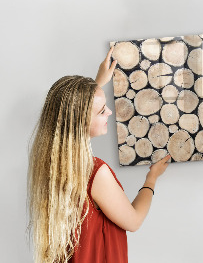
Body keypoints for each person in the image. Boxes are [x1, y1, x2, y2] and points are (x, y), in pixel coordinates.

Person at [27, 47, 170, 263]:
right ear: (81, 120)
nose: (110, 113)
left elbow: (74, 111)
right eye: (102, 110)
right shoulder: (95, 173)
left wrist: (97, 84)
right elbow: (134, 221)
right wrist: (152, 178)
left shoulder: (50, 162)